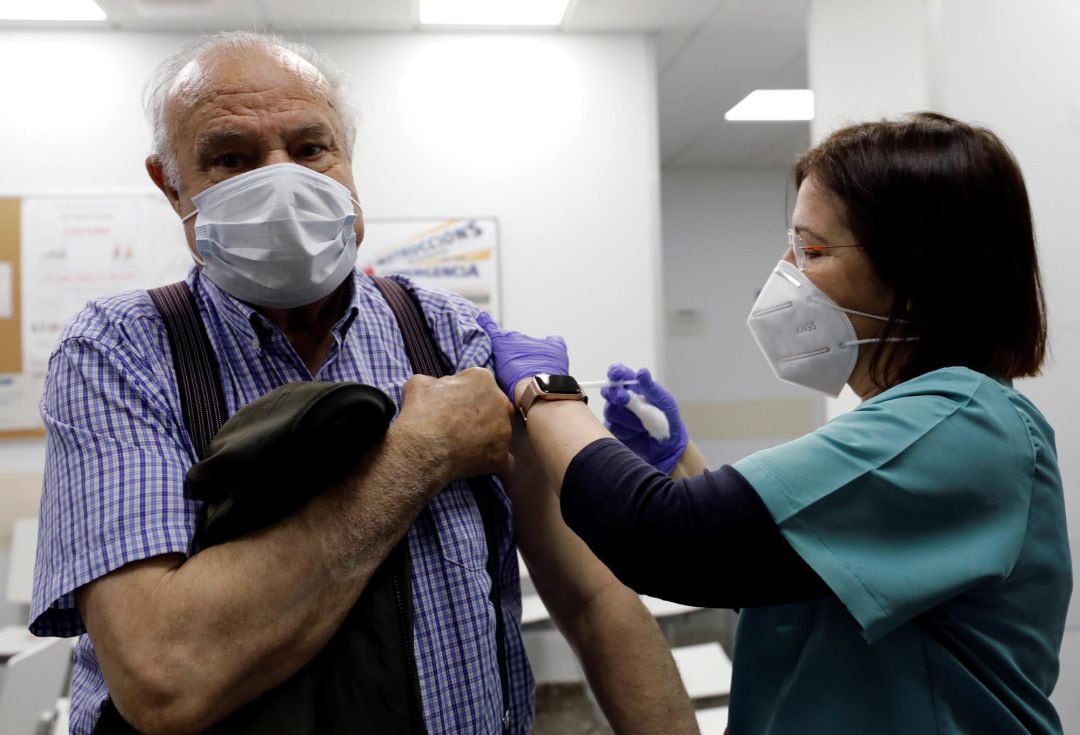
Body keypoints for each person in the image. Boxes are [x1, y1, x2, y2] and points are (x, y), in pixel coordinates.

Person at [29, 31, 697, 734]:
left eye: (310, 148)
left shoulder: (447, 335)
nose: (283, 183)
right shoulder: (122, 351)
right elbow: (166, 678)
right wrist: (420, 453)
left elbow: (593, 600)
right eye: (232, 158)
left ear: (347, 157)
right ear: (172, 186)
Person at [480, 113, 1073, 734]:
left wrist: (547, 393)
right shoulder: (924, 419)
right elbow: (776, 582)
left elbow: (659, 538)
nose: (786, 272)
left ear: (917, 271)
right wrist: (681, 463)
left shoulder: (959, 426)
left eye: (812, 251)